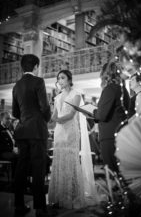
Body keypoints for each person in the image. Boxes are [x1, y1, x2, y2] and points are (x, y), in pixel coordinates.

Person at [48, 70, 100, 209]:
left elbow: (71, 115)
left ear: (70, 79)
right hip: (59, 132)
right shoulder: (57, 97)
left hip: (70, 132)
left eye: (63, 78)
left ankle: (73, 196)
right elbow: (54, 115)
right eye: (58, 78)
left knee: (71, 162)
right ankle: (59, 196)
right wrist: (49, 118)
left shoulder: (76, 95)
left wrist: (57, 119)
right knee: (59, 162)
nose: (60, 80)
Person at [12, 54, 51, 217]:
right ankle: (40, 208)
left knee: (21, 169)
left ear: (22, 67)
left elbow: (15, 112)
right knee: (38, 168)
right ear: (36, 66)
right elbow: (44, 106)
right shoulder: (38, 81)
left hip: (21, 132)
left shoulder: (16, 86)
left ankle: (19, 205)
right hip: (36, 130)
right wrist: (46, 119)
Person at [93, 62, 130, 172]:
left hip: (110, 136)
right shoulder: (123, 90)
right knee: (121, 172)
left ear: (105, 74)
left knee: (113, 173)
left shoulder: (109, 89)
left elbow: (102, 115)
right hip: (122, 134)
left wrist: (92, 112)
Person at [0, 111, 18, 177]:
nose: (9, 120)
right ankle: (14, 178)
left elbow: (13, 141)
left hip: (10, 151)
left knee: (24, 155)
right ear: (1, 119)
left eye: (10, 119)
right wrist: (12, 149)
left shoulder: (9, 129)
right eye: (7, 118)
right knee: (17, 157)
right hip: (3, 153)